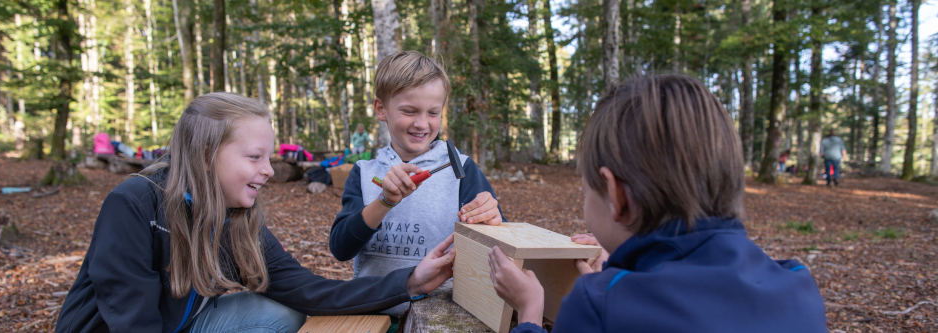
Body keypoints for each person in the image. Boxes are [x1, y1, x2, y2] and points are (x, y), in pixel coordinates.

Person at [54, 92, 456, 333]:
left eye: (269, 156)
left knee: (282, 313)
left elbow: (308, 290)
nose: (268, 170)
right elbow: (132, 322)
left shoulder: (234, 216)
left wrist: (412, 282)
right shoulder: (134, 204)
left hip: (187, 322)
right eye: (254, 157)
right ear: (208, 154)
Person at [487, 75, 828, 333]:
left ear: (615, 194)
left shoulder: (598, 305)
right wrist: (625, 271)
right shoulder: (799, 284)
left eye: (585, 188)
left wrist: (530, 311)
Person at [329, 51, 503, 319]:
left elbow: (496, 247)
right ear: (381, 109)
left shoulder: (463, 168)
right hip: (373, 312)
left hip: (444, 315)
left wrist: (493, 218)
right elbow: (341, 248)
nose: (422, 124)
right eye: (409, 111)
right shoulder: (365, 173)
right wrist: (384, 201)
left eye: (433, 113)